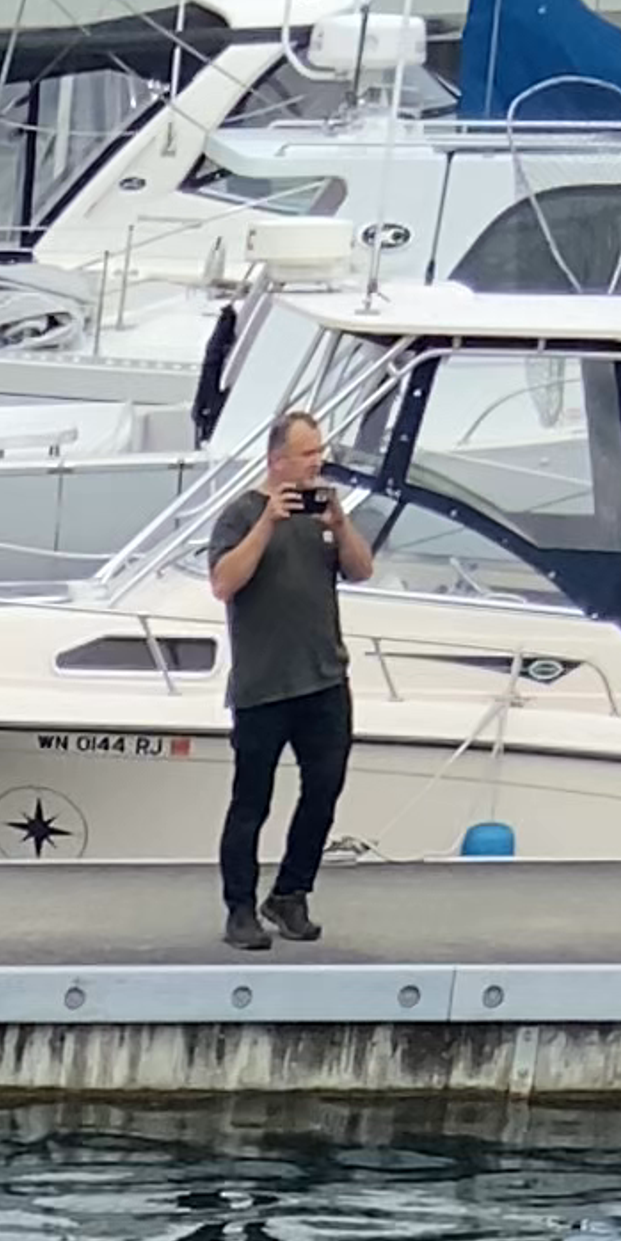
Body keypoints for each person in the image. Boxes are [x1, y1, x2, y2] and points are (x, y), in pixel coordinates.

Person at [208, 402, 369, 947]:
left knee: (324, 789)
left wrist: (341, 525)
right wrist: (267, 524)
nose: (315, 464)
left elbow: (362, 570)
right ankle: (239, 909)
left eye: (318, 453)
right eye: (306, 455)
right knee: (252, 799)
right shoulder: (240, 514)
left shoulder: (324, 513)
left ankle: (291, 892)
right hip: (263, 686)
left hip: (324, 679)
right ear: (277, 461)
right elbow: (223, 583)